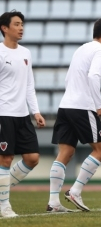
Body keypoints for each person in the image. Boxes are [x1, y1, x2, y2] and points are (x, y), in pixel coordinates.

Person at [47, 18, 101, 213]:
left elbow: (69, 77)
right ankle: (75, 191)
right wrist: (98, 104)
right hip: (82, 107)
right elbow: (93, 76)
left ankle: (53, 202)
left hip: (65, 105)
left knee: (65, 153)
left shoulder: (82, 48)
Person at [0, 11, 46, 218]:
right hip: (4, 113)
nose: (21, 28)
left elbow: (29, 85)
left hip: (22, 115)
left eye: (22, 25)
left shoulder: (26, 53)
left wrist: (35, 111)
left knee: (32, 158)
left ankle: (2, 193)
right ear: (4, 28)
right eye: (17, 24)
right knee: (6, 159)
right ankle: (4, 206)